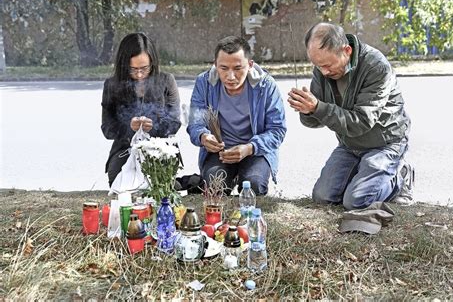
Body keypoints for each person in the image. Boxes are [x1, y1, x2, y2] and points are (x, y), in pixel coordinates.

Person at [288, 22, 414, 210]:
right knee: (323, 197)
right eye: (318, 66)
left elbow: (362, 122)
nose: (323, 72)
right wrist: (307, 110)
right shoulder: (323, 68)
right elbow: (315, 121)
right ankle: (362, 178)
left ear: (346, 50)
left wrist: (318, 108)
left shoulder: (376, 66)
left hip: (385, 144)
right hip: (350, 144)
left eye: (327, 65)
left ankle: (400, 177)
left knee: (357, 201)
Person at [187, 36, 286, 195]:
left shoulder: (266, 86)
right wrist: (203, 137)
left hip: (255, 150)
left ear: (250, 65)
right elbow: (195, 124)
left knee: (253, 185)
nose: (230, 76)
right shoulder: (204, 83)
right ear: (215, 65)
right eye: (224, 68)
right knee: (214, 185)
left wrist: (250, 148)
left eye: (238, 68)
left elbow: (277, 130)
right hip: (221, 152)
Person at [101, 32, 181, 187]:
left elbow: (175, 123)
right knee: (119, 181)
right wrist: (129, 127)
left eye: (145, 69)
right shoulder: (112, 85)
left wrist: (155, 124)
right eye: (133, 69)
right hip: (125, 147)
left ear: (153, 63)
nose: (139, 74)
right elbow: (107, 128)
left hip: (160, 146)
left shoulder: (166, 80)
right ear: (124, 66)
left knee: (158, 183)